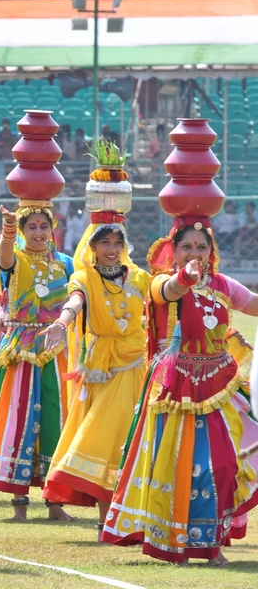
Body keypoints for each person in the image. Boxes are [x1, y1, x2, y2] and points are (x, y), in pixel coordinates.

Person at [102, 219, 258, 564]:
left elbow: (254, 305)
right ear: (172, 251)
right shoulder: (161, 282)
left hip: (219, 384)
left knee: (224, 466)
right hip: (176, 390)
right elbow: (171, 291)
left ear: (211, 251)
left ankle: (212, 546)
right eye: (187, 246)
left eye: (202, 247)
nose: (195, 253)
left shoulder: (222, 285)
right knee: (178, 468)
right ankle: (176, 545)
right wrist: (185, 276)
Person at [40, 213, 151, 531]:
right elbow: (75, 302)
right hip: (103, 371)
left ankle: (132, 516)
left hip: (136, 367)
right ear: (93, 246)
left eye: (118, 242)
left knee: (133, 439)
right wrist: (62, 322)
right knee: (104, 439)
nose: (112, 248)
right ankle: (106, 518)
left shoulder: (139, 278)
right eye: (105, 242)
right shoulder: (85, 278)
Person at [0, 202, 75, 522]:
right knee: (17, 421)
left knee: (54, 420)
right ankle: (19, 505)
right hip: (19, 349)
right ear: (21, 232)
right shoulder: (14, 261)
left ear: (53, 228)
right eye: (30, 227)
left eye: (43, 227)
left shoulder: (66, 264)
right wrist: (6, 231)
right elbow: (4, 254)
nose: (38, 233)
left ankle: (55, 503)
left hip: (54, 348)